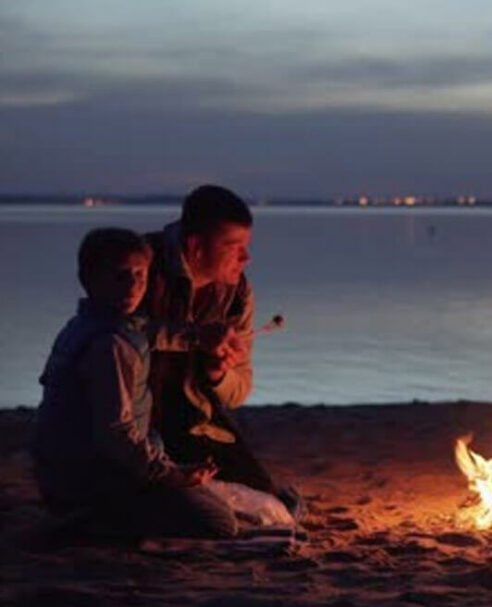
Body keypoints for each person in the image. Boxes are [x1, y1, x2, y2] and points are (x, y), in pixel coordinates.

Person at [32, 228, 237, 538]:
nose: (132, 286)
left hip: (67, 472)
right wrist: (170, 475)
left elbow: (151, 333)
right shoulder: (109, 346)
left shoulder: (89, 324)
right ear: (89, 279)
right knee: (219, 522)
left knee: (207, 498)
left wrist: (198, 338)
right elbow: (116, 434)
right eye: (120, 276)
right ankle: (93, 521)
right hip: (89, 479)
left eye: (140, 276)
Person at [141, 184, 304, 514]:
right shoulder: (140, 265)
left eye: (248, 245)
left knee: (270, 503)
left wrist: (218, 373)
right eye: (235, 247)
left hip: (192, 420)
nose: (247, 257)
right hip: (134, 415)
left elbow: (237, 392)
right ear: (195, 246)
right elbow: (110, 332)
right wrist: (192, 337)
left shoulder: (237, 293)